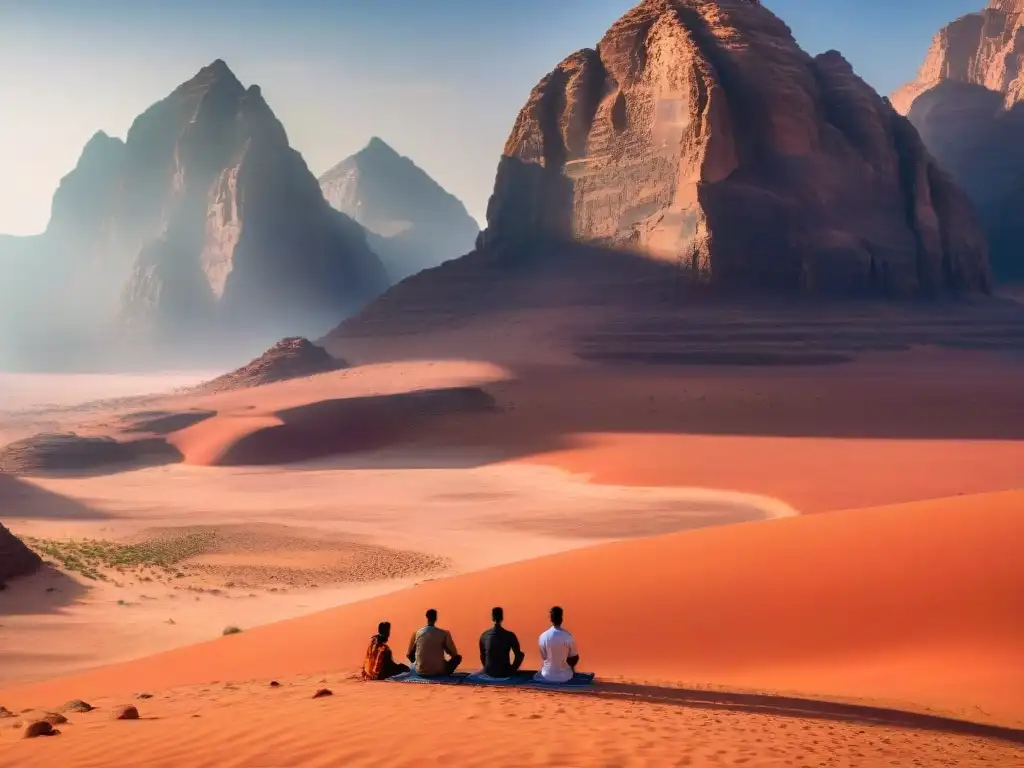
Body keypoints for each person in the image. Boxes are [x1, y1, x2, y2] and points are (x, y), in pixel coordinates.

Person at [407, 608, 462, 676]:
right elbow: (454, 654)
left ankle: (422, 665)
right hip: (439, 671)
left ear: (426, 617)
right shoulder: (444, 633)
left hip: (420, 671)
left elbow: (409, 655)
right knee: (458, 658)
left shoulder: (417, 633)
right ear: (436, 618)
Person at [535, 605, 579, 683]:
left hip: (546, 675)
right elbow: (574, 657)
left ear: (550, 618)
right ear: (561, 618)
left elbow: (544, 657)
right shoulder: (568, 636)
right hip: (565, 676)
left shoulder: (543, 636)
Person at [479, 606, 525, 678]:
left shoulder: (484, 635)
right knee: (521, 654)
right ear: (502, 618)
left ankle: (490, 670)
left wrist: (487, 669)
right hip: (505, 673)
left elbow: (482, 656)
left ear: (492, 618)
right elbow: (519, 655)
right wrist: (512, 670)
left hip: (488, 672)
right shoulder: (509, 635)